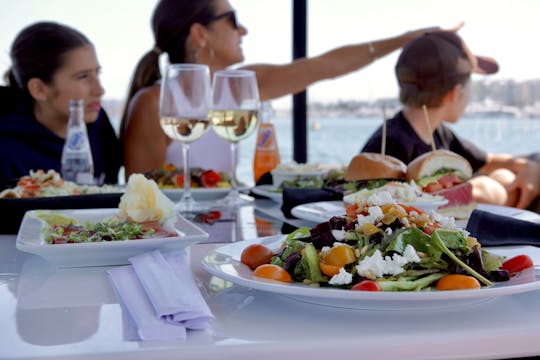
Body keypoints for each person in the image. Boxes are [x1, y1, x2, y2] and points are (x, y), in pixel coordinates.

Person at [120, 0, 461, 180]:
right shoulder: (153, 103)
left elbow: (324, 66)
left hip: (223, 239)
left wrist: (408, 39)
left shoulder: (237, 88)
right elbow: (143, 203)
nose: (244, 29)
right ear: (200, 35)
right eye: (232, 18)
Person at [361, 30, 540, 210]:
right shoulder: (391, 144)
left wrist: (529, 166)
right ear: (454, 93)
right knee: (492, 185)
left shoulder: (438, 132)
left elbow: (488, 160)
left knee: (503, 176)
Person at [0, 22, 122, 188]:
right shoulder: (6, 150)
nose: (100, 90)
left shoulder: (99, 126)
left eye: (97, 73)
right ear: (39, 89)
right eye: (83, 76)